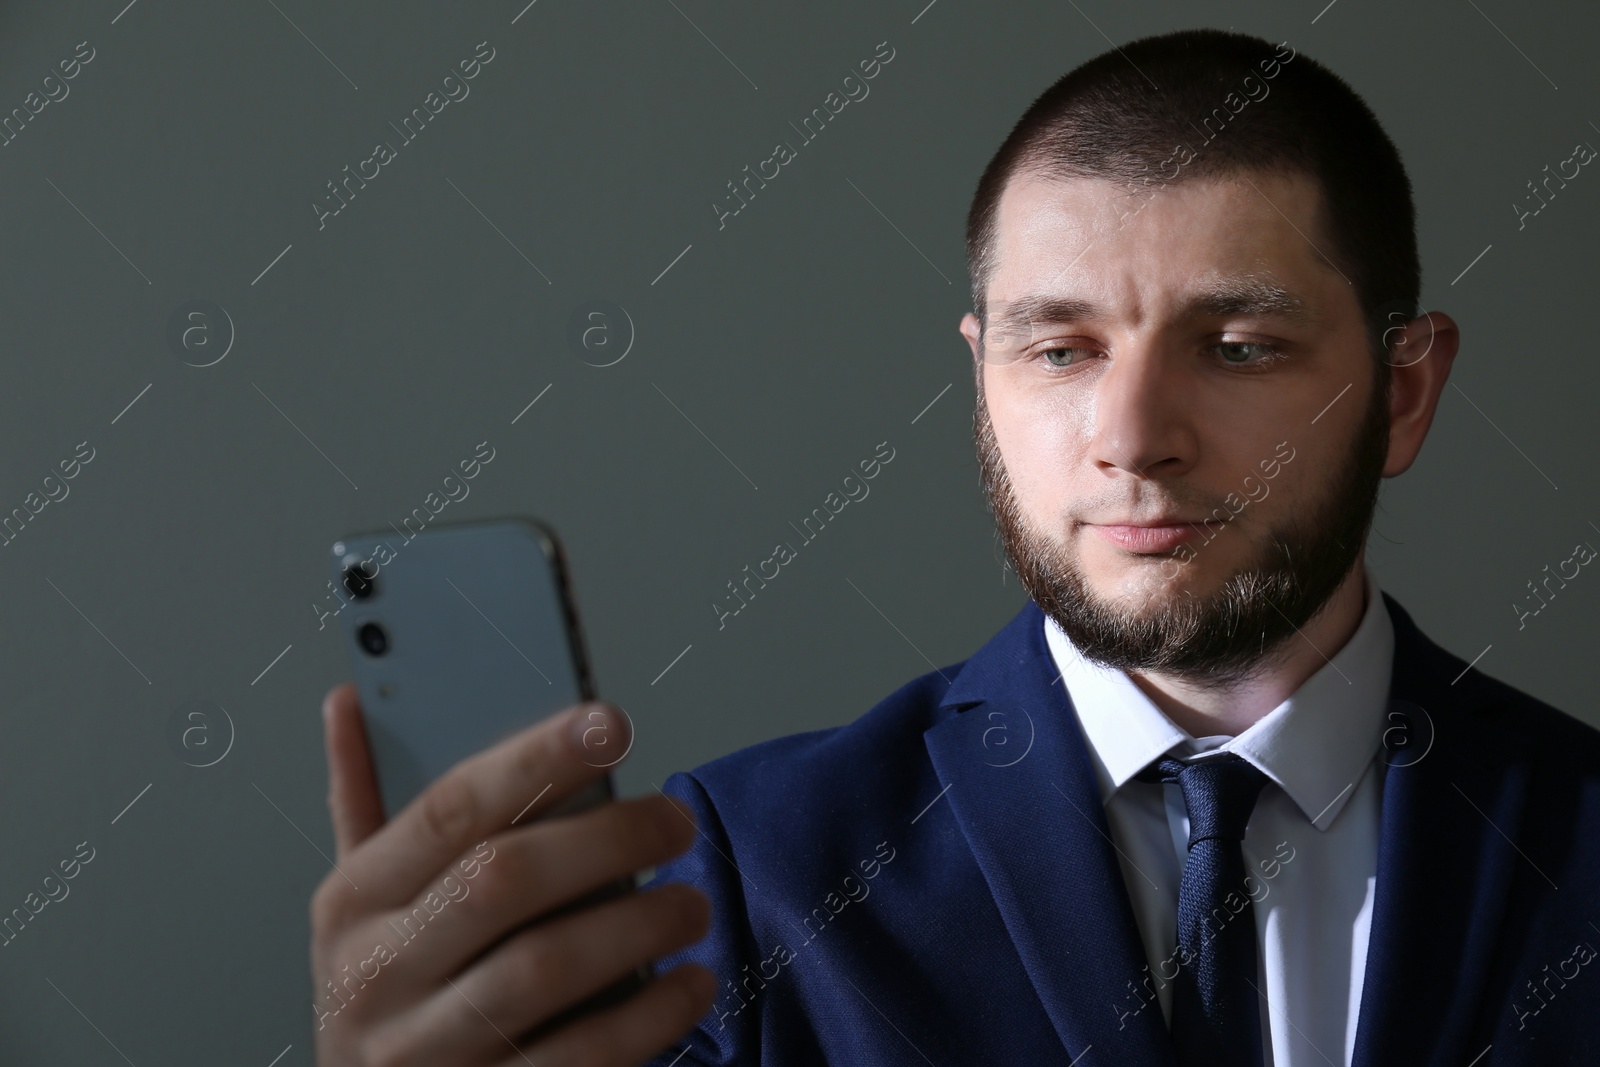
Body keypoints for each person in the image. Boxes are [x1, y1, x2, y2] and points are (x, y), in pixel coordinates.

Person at [309, 27, 1600, 1067]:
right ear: (983, 380)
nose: (1133, 438)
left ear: (1406, 392)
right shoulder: (743, 876)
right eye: (1061, 349)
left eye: (1239, 347)